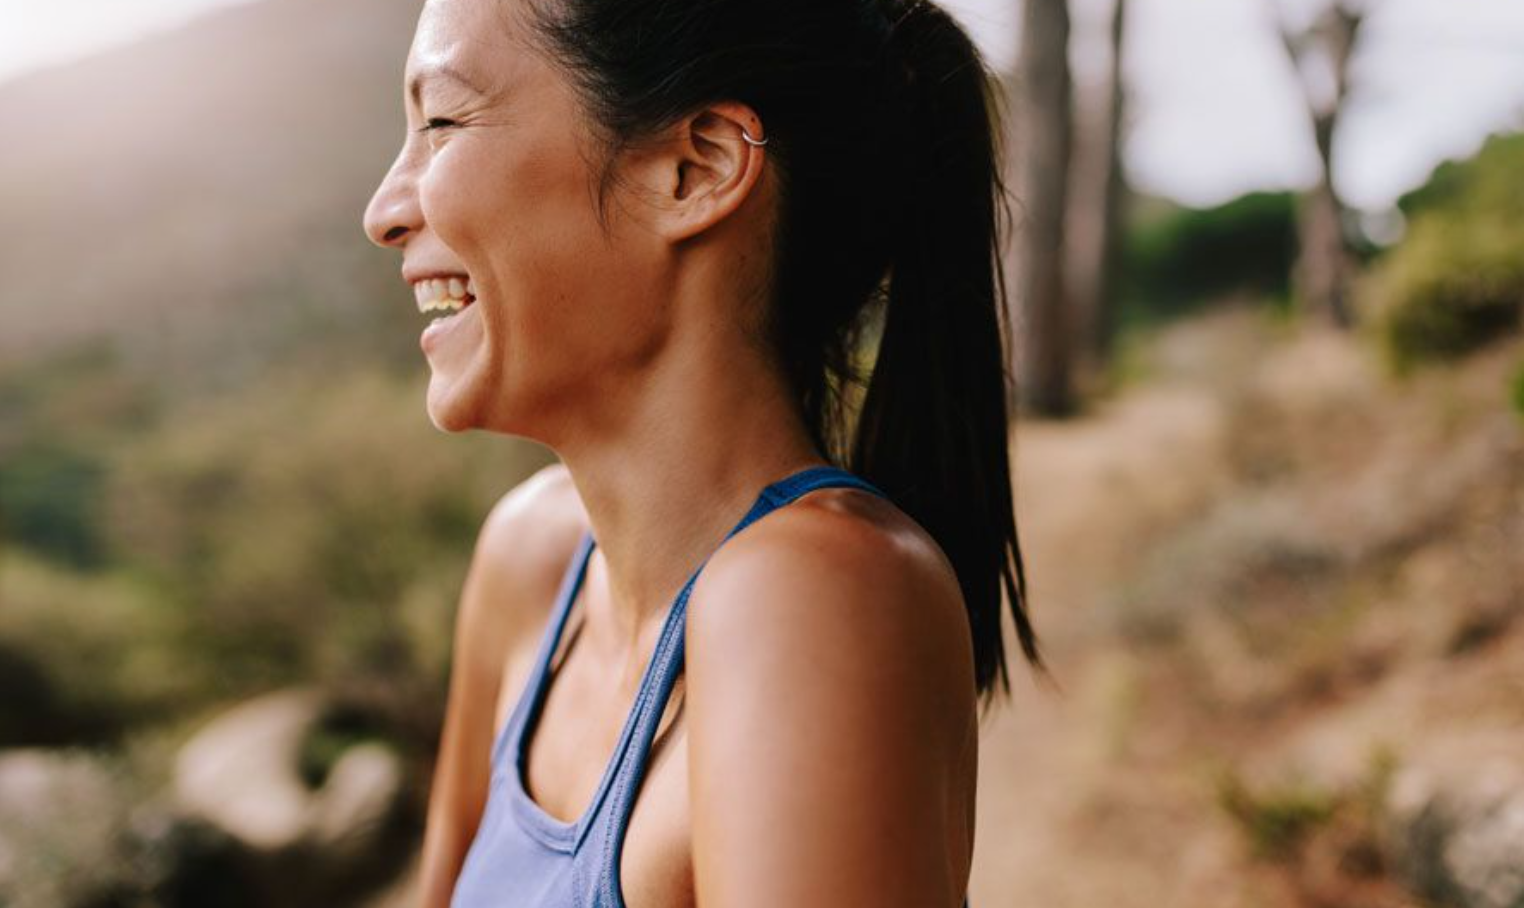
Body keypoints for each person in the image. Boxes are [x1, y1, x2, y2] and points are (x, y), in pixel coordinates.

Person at [362, 0, 1050, 903]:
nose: (385, 210)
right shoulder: (529, 555)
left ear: (695, 170)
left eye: (442, 121)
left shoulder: (814, 597)